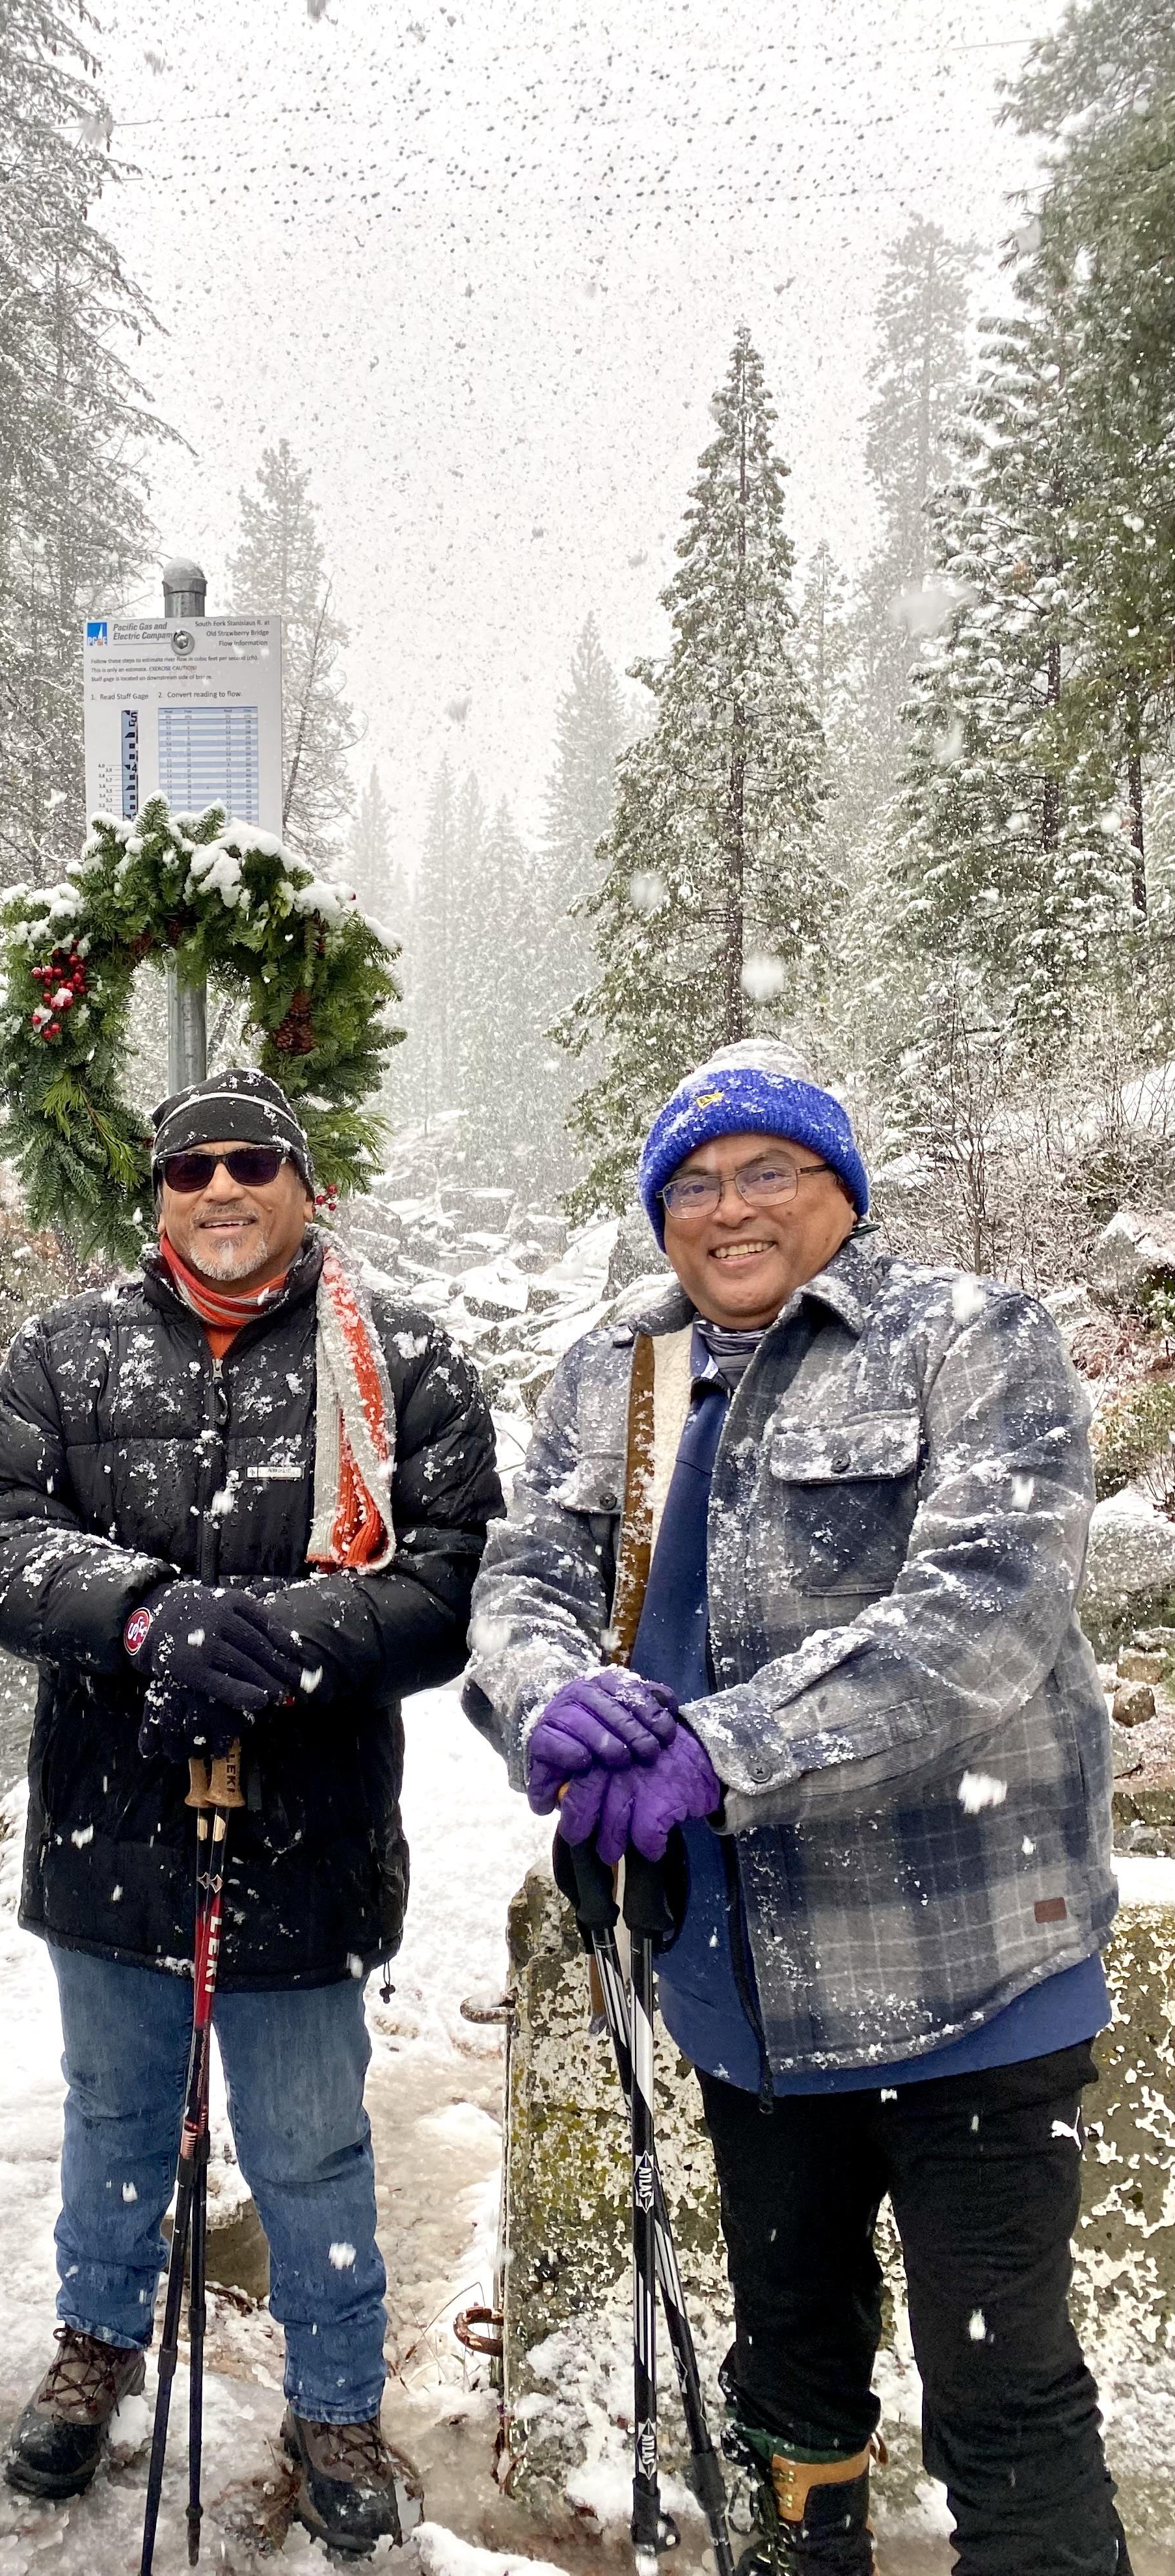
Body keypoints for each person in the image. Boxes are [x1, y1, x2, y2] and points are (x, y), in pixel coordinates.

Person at [466, 1038, 1128, 2576]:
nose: (728, 1209)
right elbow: (525, 1576)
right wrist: (551, 1695)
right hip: (743, 1989)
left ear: (841, 1189)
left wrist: (727, 1747)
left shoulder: (971, 1339)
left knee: (1005, 2395)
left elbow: (985, 1616)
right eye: (691, 1184)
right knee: (791, 2366)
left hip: (974, 1974)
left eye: (770, 1170)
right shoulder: (616, 1370)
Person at [0, 1067, 500, 2555]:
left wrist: (289, 1644)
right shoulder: (67, 1353)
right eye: (190, 1169)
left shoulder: (401, 1363)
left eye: (254, 1162)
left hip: (308, 1833)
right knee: (114, 2112)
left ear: (305, 1187)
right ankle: (97, 2343)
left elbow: (451, 1584)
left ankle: (332, 2401)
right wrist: (141, 1621)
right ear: (158, 1199)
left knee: (312, 2139)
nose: (221, 1189)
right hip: (106, 1821)